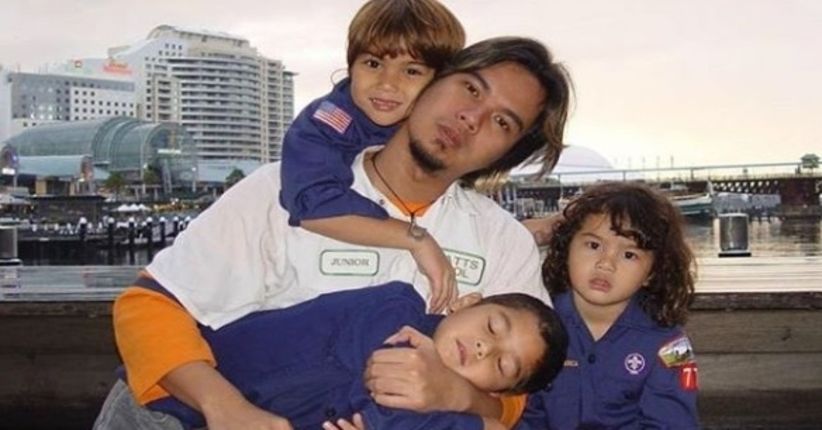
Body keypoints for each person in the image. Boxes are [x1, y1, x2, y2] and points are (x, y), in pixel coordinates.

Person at [96, 36, 572, 430]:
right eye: (470, 89)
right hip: (183, 414)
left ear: (507, 155)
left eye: (502, 122)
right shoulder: (285, 190)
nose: (473, 117)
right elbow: (149, 305)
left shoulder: (503, 243)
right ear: (430, 81)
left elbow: (520, 393)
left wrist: (457, 394)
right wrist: (225, 408)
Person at [101, 282, 567, 430]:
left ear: (496, 390)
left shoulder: (434, 400)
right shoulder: (396, 310)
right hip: (164, 403)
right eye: (492, 327)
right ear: (466, 302)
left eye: (501, 365)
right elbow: (388, 413)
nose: (486, 347)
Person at [279, 0, 466, 313]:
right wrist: (416, 239)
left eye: (411, 71)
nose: (387, 83)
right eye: (373, 64)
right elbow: (312, 205)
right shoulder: (324, 125)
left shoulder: (436, 128)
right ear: (351, 64)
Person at [516, 181, 700, 429]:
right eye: (594, 246)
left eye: (629, 255)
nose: (606, 263)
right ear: (567, 247)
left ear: (653, 272)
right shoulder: (538, 325)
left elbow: (673, 423)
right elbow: (526, 415)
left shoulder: (671, 345)